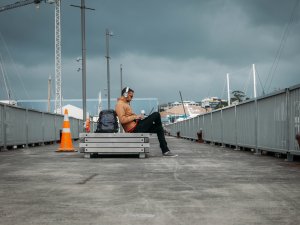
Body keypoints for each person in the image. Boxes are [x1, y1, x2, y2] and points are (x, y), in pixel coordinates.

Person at [115, 87, 178, 157]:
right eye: (131, 96)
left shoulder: (125, 103)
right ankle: (162, 128)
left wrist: (138, 118)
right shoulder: (120, 105)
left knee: (158, 129)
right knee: (156, 114)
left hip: (137, 125)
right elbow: (122, 120)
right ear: (125, 94)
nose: (132, 98)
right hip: (134, 129)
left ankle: (165, 151)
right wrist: (136, 117)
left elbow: (129, 117)